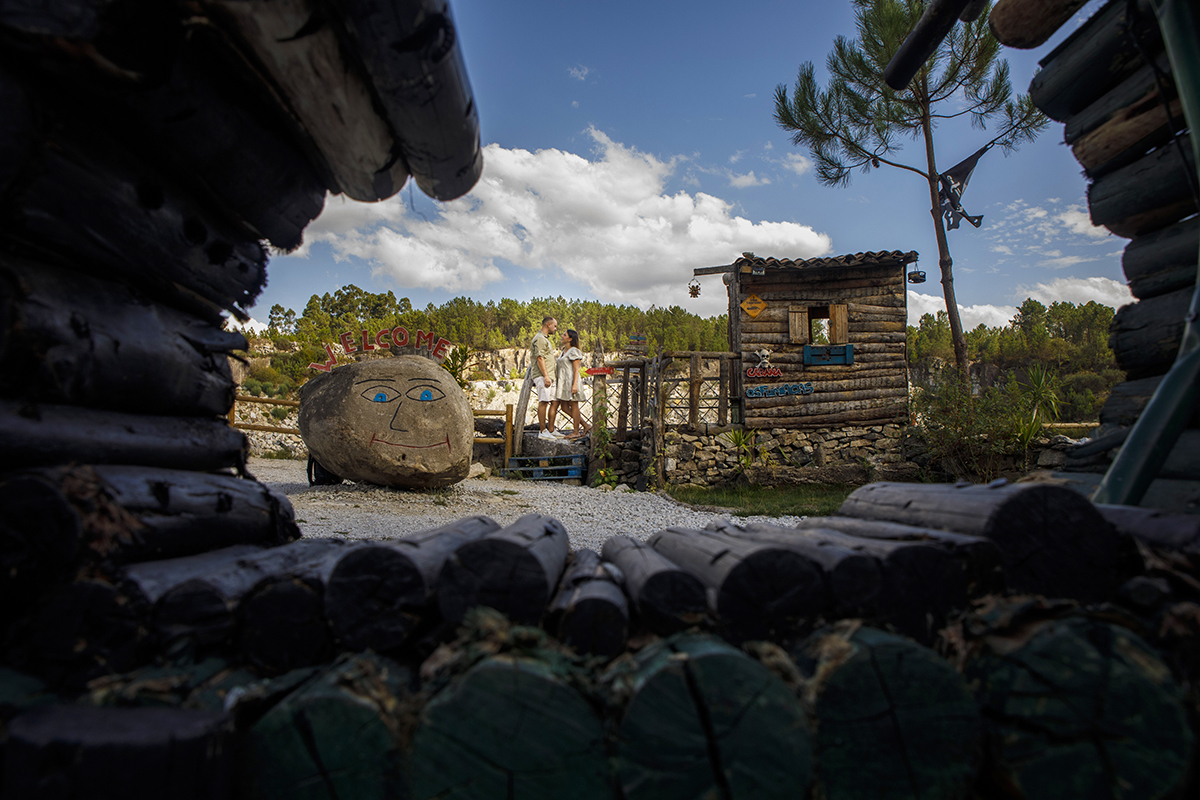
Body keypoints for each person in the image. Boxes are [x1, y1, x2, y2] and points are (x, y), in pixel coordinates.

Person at [550, 329, 591, 439]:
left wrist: (574, 385)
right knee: (564, 406)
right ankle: (586, 425)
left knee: (573, 405)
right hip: (563, 382)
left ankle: (576, 431)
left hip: (571, 381)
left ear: (570, 339)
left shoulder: (574, 351)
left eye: (564, 335)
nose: (562, 336)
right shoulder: (564, 351)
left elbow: (576, 369)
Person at [529, 316, 565, 440]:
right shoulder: (539, 339)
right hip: (542, 376)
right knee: (543, 401)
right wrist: (545, 376)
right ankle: (542, 431)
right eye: (554, 326)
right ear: (548, 325)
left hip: (550, 375)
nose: (555, 329)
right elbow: (540, 358)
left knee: (555, 401)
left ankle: (551, 429)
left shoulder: (545, 339)